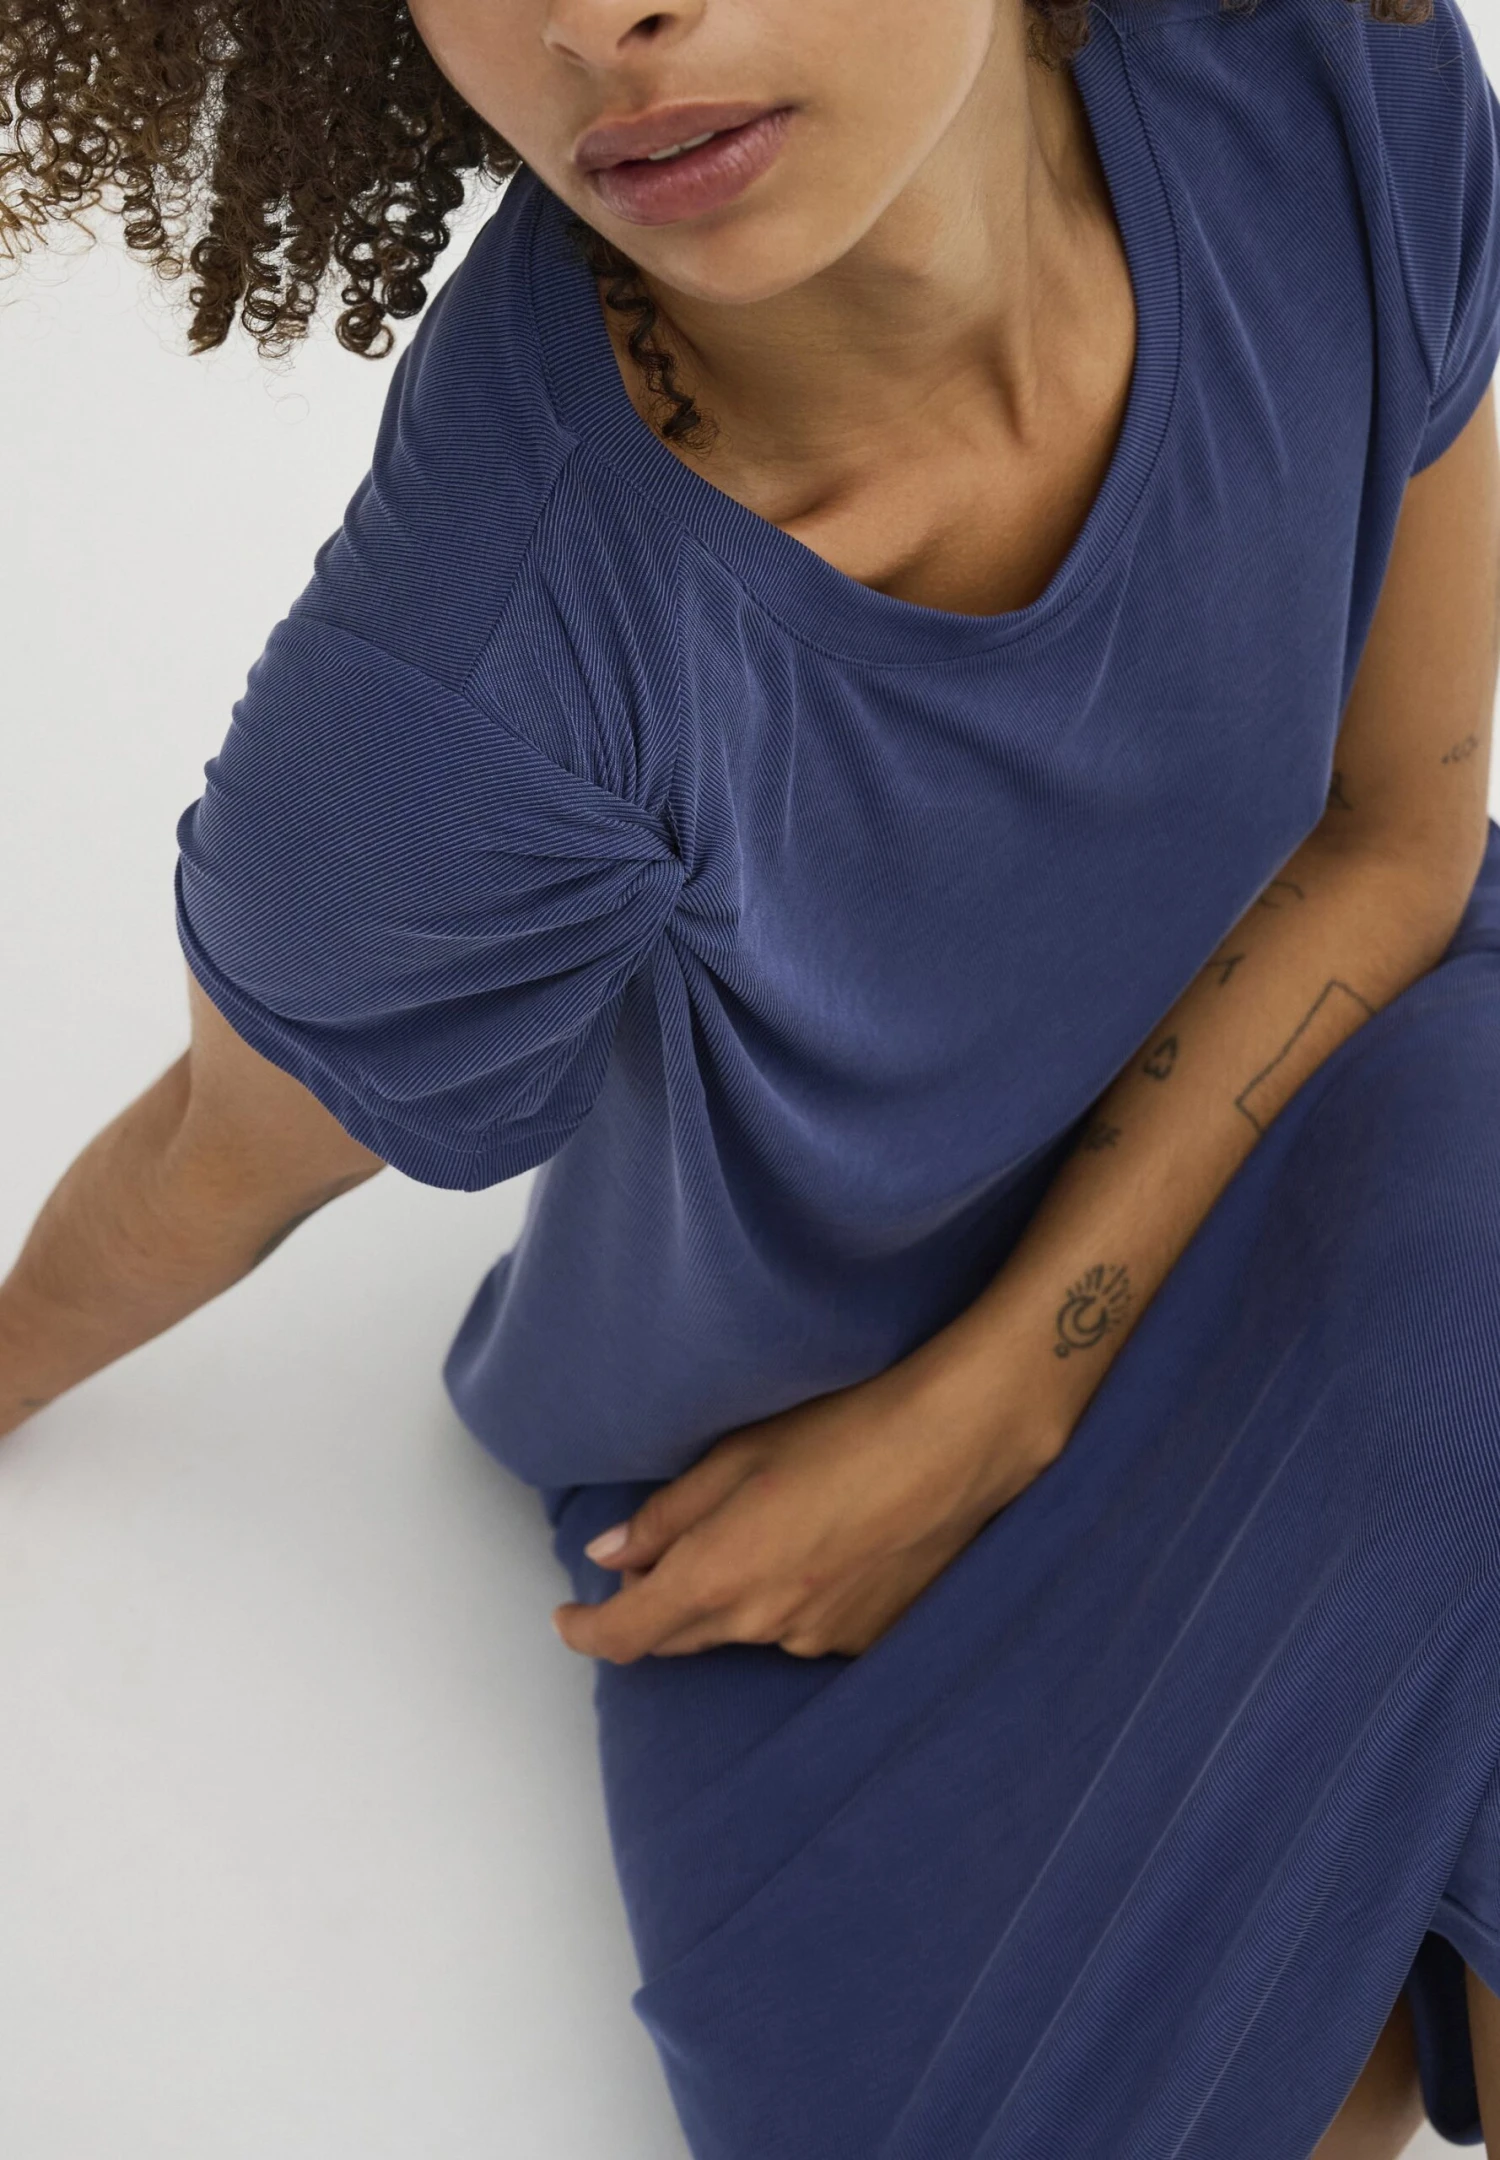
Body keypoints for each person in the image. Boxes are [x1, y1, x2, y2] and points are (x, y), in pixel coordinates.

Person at [4, 0, 1500, 2149]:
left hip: (1368, 1107)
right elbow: (206, 1159)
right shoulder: (470, 687)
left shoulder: (1320, 74)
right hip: (804, 1490)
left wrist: (1000, 1402)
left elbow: (1393, 846)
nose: (596, 18)